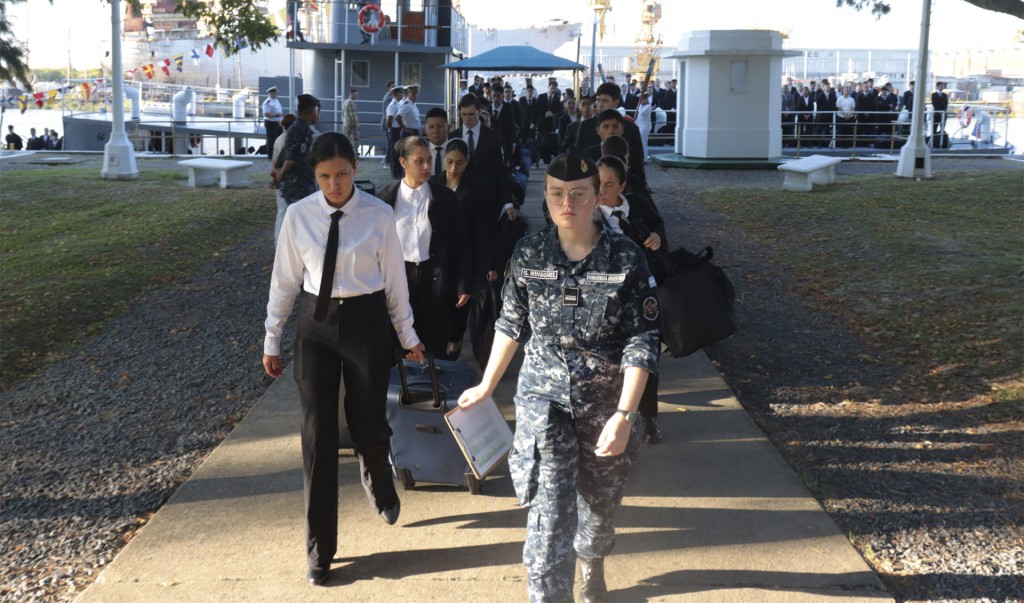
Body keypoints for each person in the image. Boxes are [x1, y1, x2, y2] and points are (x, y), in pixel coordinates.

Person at [458, 150, 660, 603]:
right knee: (548, 511)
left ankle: (591, 557)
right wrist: (487, 385)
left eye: (578, 194)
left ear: (596, 197)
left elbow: (642, 342)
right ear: (545, 198)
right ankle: (548, 595)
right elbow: (511, 323)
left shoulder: (625, 258)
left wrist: (625, 415)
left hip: (604, 401)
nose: (566, 203)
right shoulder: (529, 252)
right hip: (542, 397)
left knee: (600, 503)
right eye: (555, 195)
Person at [263, 132, 425, 587]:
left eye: (342, 175)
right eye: (324, 177)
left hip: (367, 323)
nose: (334, 185)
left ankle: (378, 474)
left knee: (368, 421)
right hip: (317, 326)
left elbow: (395, 283)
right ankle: (320, 549)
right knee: (317, 435)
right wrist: (271, 338)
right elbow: (284, 283)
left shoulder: (379, 215)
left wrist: (408, 335)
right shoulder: (298, 217)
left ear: (356, 168)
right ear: (314, 176)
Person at [377, 136, 472, 358]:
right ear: (403, 163)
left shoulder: (445, 198)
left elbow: (461, 243)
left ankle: (433, 388)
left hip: (434, 279)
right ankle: (402, 389)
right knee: (398, 343)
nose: (427, 166)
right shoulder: (385, 199)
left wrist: (463, 283)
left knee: (434, 342)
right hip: (398, 279)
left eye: (429, 160)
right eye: (419, 161)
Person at [596, 155, 666, 445]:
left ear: (622, 185)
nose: (601, 191)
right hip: (606, 300)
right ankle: (613, 418)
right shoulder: (589, 213)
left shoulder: (637, 203)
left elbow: (659, 226)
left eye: (609, 185)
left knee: (645, 359)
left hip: (643, 295)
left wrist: (656, 237)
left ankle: (648, 417)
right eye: (597, 184)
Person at [434, 137, 502, 360]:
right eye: (450, 162)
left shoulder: (476, 189)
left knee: (461, 303)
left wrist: (489, 263)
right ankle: (442, 347)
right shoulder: (433, 185)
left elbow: (483, 229)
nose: (454, 168)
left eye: (460, 163)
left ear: (467, 161)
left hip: (467, 256)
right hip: (438, 256)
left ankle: (454, 347)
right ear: (444, 159)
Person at [272, 94, 320, 206]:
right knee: (300, 219)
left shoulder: (298, 127)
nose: (317, 114)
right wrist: (280, 175)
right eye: (317, 110)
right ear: (313, 110)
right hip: (298, 186)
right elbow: (292, 159)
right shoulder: (300, 129)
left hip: (299, 184)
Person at [269, 113, 297, 244]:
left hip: (279, 179)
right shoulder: (292, 140)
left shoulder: (279, 139)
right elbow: (292, 160)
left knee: (281, 213)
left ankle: (278, 242)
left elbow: (274, 161)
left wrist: (275, 176)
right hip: (289, 180)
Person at [262, 86, 284, 160]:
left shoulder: (276, 100)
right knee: (271, 140)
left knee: (279, 139)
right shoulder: (267, 102)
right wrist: (276, 115)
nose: (276, 94)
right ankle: (270, 156)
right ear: (271, 93)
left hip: (278, 122)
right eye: (275, 93)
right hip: (271, 123)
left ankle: (278, 155)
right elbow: (266, 114)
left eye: (276, 92)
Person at [634, 92, 652, 163]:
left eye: (641, 99)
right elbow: (638, 116)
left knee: (643, 142)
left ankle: (644, 159)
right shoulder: (641, 105)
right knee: (639, 142)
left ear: (645, 99)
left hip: (645, 126)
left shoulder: (648, 106)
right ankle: (641, 157)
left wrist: (639, 106)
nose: (640, 100)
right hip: (639, 125)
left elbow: (642, 113)